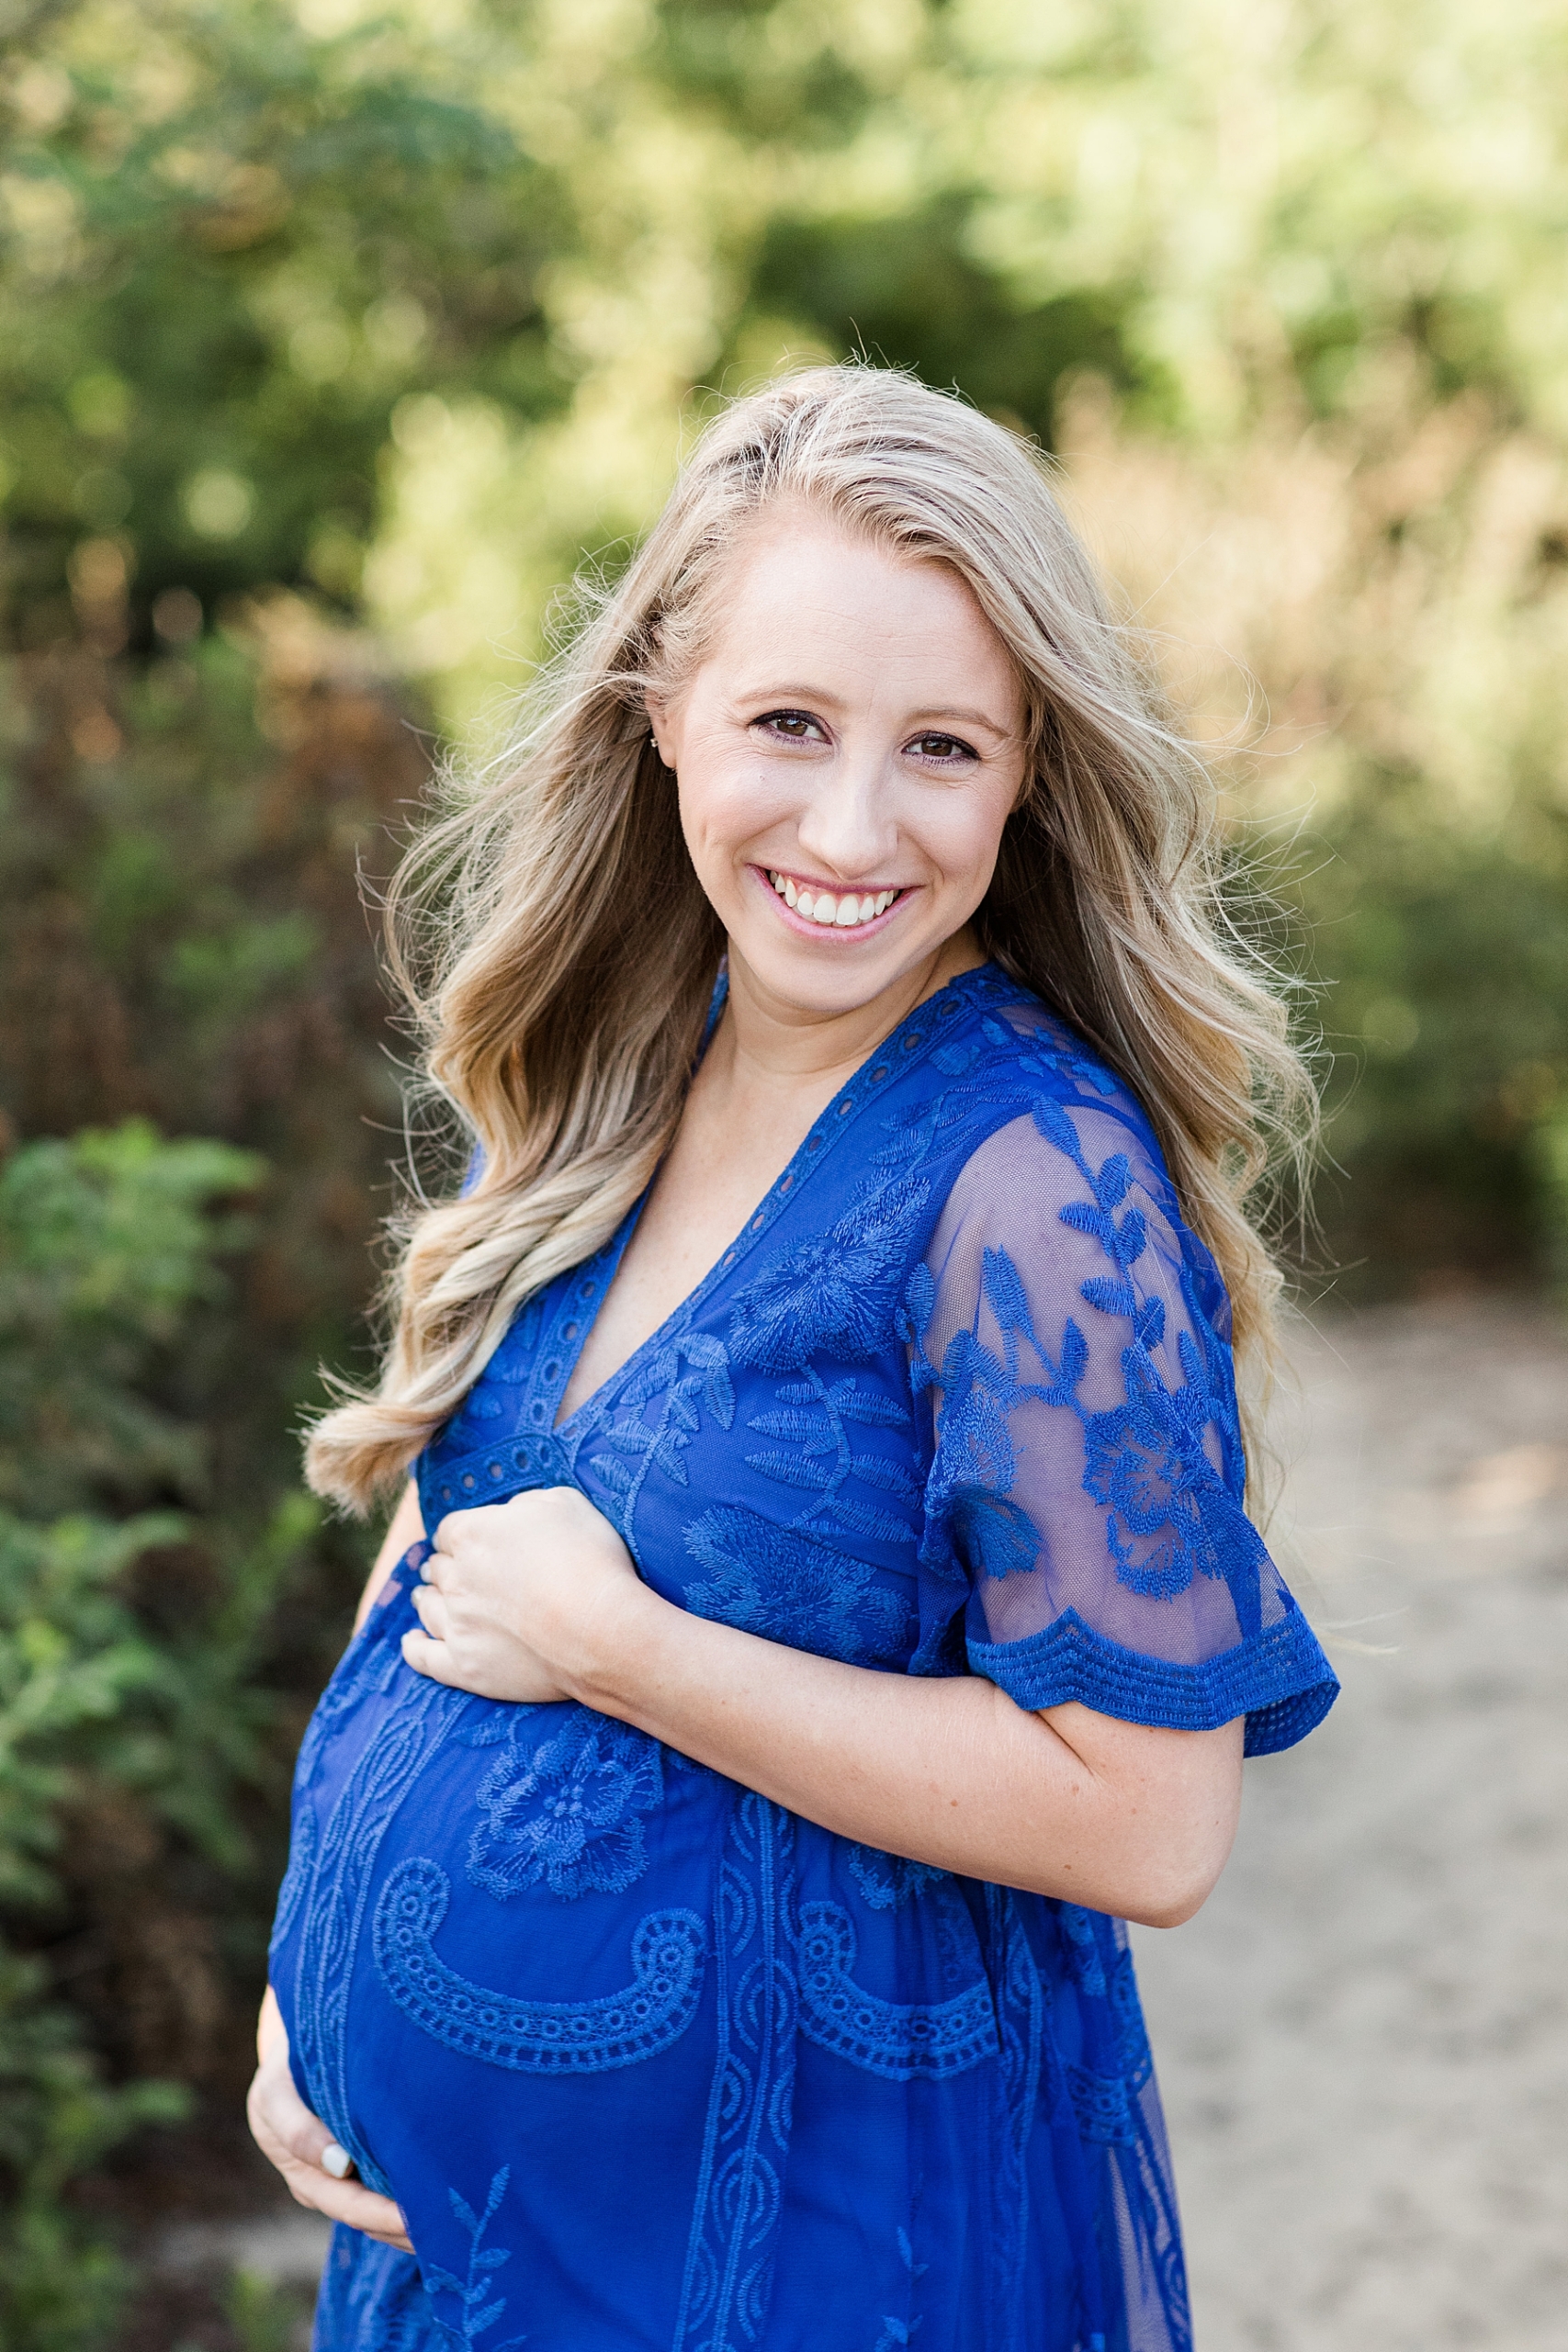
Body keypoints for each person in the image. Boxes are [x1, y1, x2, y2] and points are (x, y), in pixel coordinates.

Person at [249, 365, 1337, 2352]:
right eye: (785, 724)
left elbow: (1147, 1820)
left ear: (1025, 777)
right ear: (660, 704)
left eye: (939, 744)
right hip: (466, 2249)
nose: (851, 824)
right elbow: (462, 1529)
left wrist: (629, 1649)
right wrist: (298, 1985)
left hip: (811, 2254)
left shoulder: (1029, 1184)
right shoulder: (609, 1066)